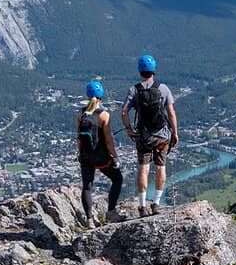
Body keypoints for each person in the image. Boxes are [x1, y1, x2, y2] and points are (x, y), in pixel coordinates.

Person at [121, 55, 179, 217]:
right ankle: (156, 203)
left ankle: (142, 206)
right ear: (154, 70)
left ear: (140, 70)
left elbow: (124, 112)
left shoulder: (134, 90)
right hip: (162, 136)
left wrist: (129, 129)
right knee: (160, 167)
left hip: (143, 137)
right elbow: (171, 114)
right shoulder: (163, 89)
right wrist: (175, 133)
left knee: (143, 168)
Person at [76, 80, 124, 228]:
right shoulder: (104, 115)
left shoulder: (80, 114)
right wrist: (115, 157)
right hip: (101, 157)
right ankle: (110, 212)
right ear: (101, 96)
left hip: (86, 156)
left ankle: (89, 219)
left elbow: (78, 137)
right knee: (117, 179)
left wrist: (80, 154)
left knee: (87, 187)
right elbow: (108, 140)